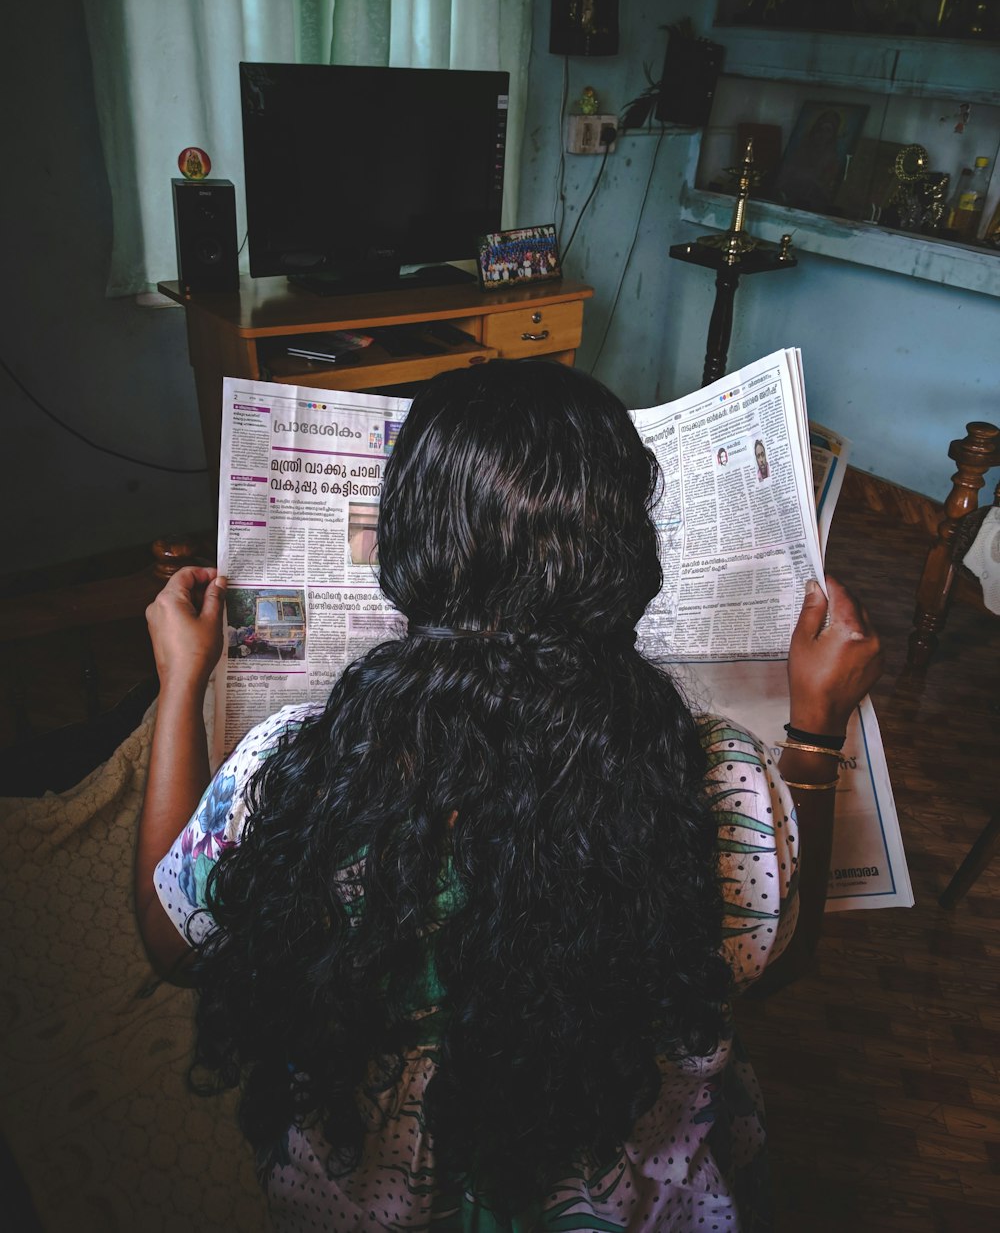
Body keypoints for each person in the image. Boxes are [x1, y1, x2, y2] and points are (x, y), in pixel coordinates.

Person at [136, 361, 881, 1231]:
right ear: (627, 559)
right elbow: (778, 958)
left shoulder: (292, 769)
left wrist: (179, 685)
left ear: (410, 549)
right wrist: (818, 729)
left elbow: (172, 942)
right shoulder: (725, 780)